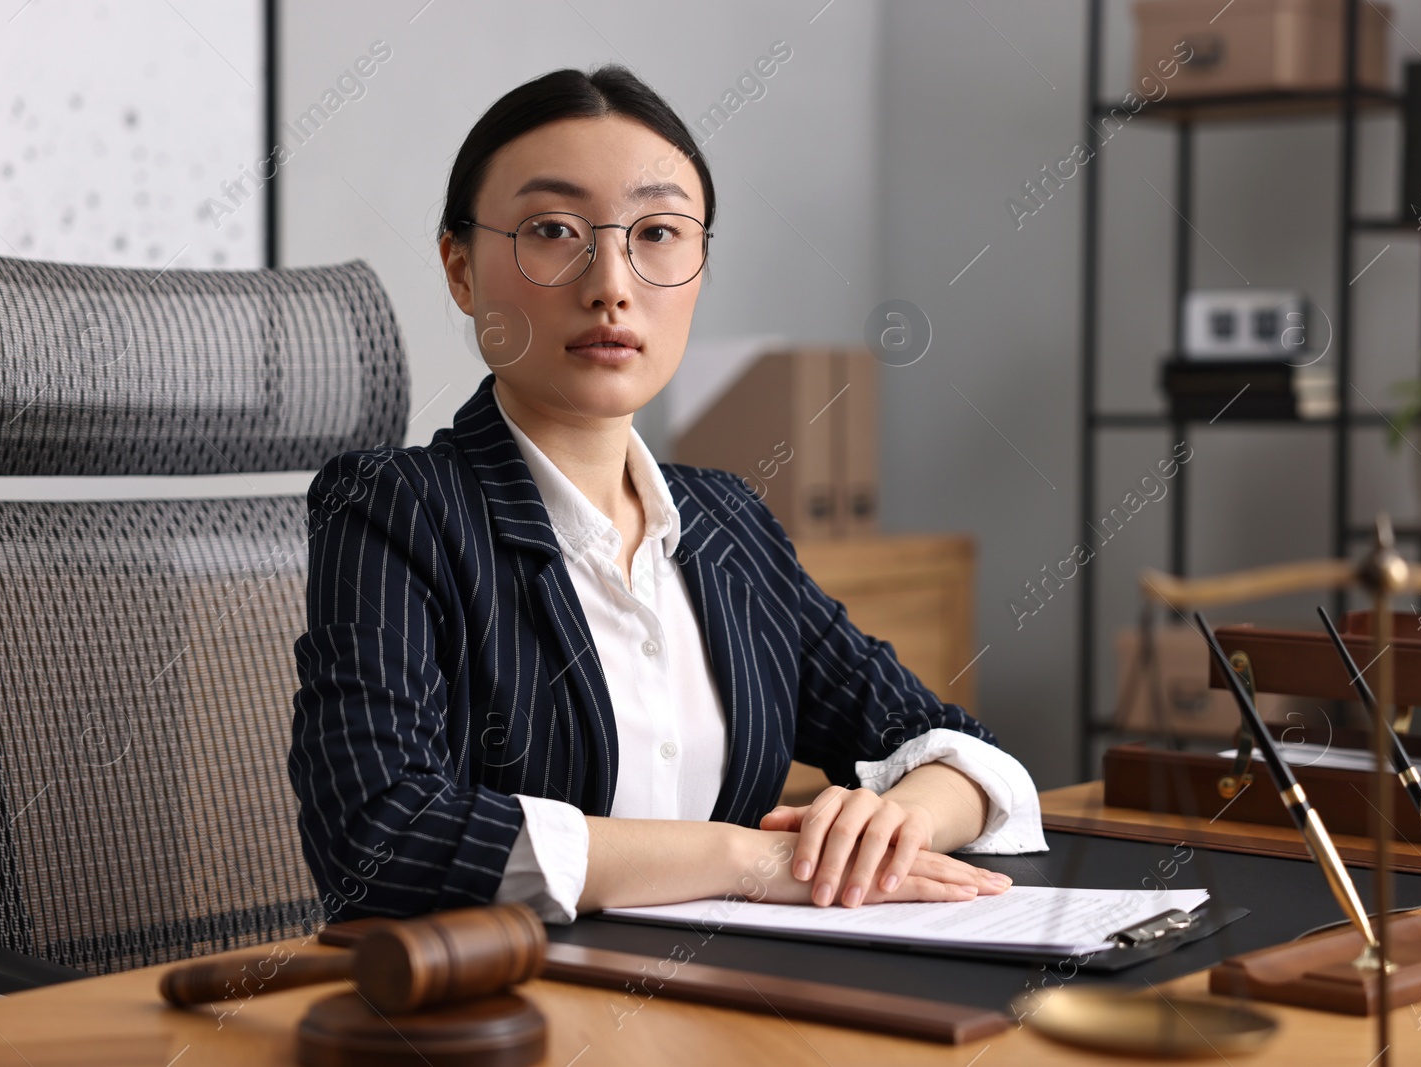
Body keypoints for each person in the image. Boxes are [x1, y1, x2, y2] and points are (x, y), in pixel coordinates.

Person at [288, 64, 1045, 927]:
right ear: (460, 269)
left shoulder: (726, 525)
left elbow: (960, 751)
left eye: (657, 232)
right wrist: (744, 859)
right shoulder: (396, 511)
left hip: (732, 1005)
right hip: (505, 1020)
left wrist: (898, 820)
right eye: (552, 228)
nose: (611, 281)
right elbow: (379, 836)